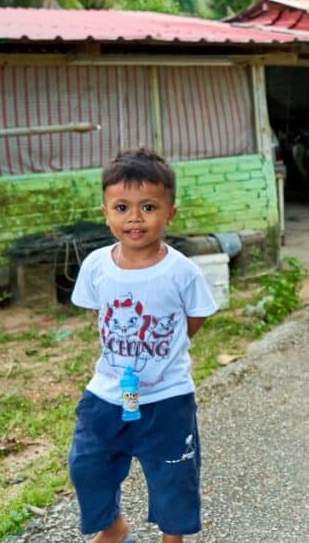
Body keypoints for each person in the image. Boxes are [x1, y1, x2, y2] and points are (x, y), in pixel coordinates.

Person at [68, 148, 217, 543]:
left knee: (175, 476)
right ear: (105, 212)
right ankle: (114, 528)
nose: (134, 217)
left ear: (170, 213)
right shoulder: (96, 265)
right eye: (121, 207)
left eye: (148, 206)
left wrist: (164, 353)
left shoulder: (182, 272)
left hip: (167, 399)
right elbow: (97, 314)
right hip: (107, 393)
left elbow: (196, 316)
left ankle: (173, 539)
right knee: (87, 466)